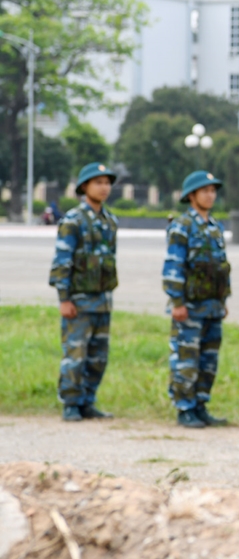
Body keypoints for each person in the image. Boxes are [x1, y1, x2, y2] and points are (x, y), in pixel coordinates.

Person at [49, 163, 119, 422]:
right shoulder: (73, 221)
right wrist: (64, 298)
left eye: (107, 182)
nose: (104, 187)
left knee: (98, 357)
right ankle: (71, 403)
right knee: (75, 355)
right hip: (78, 301)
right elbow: (62, 261)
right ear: (84, 187)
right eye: (98, 182)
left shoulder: (110, 221)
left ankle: (88, 401)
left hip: (102, 301)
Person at [163, 171, 232, 428]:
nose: (210, 195)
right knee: (186, 358)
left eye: (213, 191)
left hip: (212, 306)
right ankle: (185, 408)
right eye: (205, 191)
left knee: (208, 361)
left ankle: (200, 405)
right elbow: (174, 266)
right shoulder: (182, 225)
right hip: (190, 307)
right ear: (191, 195)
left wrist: (223, 300)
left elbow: (221, 266)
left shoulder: (215, 227)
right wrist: (177, 302)